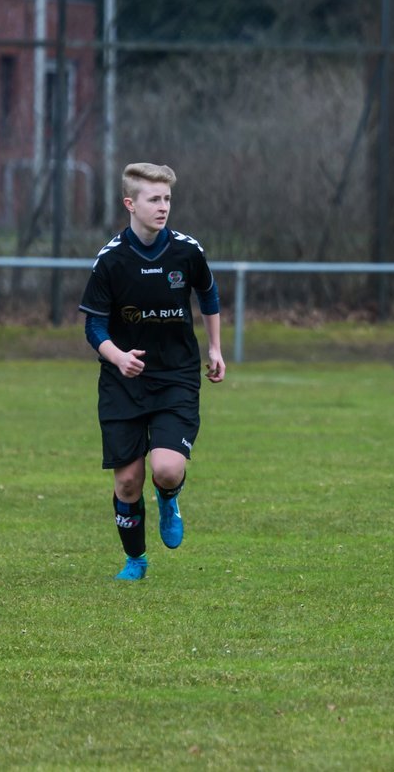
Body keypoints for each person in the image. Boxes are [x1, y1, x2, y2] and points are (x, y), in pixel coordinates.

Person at [78, 163, 226, 581]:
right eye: (154, 199)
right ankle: (136, 560)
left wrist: (214, 347)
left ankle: (168, 498)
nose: (163, 208)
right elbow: (93, 325)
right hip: (123, 381)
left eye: (167, 200)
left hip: (176, 375)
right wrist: (117, 356)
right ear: (130, 204)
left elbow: (208, 294)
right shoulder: (111, 260)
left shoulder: (186, 250)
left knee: (165, 468)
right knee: (127, 481)